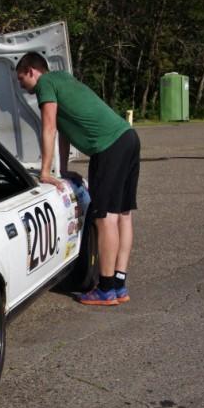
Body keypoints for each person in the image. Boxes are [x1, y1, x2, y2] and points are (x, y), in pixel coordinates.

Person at [15, 52, 140, 306]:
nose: (21, 86)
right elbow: (64, 130)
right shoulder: (63, 79)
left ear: (31, 71)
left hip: (108, 146)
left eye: (20, 79)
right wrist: (62, 170)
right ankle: (118, 284)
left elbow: (48, 127)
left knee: (105, 218)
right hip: (128, 138)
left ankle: (105, 289)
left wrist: (45, 173)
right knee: (123, 214)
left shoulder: (45, 84)